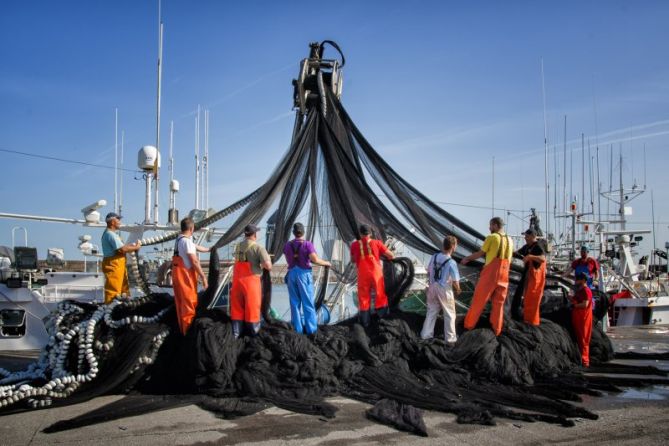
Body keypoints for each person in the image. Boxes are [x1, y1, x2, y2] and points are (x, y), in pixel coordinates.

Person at [460, 216, 513, 336]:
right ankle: (497, 331)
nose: (489, 228)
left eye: (490, 225)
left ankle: (468, 327)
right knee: (498, 305)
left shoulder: (492, 237)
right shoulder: (510, 239)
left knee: (479, 301)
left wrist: (467, 258)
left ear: (495, 225)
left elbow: (481, 253)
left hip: (491, 274)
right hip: (505, 274)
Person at [283, 222, 331, 335]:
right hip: (304, 274)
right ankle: (311, 330)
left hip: (291, 274)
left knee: (294, 303)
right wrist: (326, 263)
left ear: (294, 233)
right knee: (307, 302)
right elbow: (314, 259)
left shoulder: (287, 245)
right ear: (303, 232)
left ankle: (297, 330)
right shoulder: (307, 244)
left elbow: (287, 259)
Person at [230, 224, 272, 338]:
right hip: (251, 282)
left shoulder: (238, 246)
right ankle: (253, 335)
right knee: (252, 309)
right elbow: (268, 265)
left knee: (237, 308)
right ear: (255, 234)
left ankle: (236, 334)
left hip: (237, 281)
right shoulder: (258, 248)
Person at [350, 224, 395, 327]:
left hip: (362, 273)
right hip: (376, 273)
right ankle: (382, 319)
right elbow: (391, 255)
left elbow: (352, 260)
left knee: (363, 297)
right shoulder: (377, 243)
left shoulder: (354, 245)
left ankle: (365, 323)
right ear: (370, 234)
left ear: (360, 234)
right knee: (380, 294)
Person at [172, 217, 210, 335]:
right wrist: (203, 277)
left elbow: (195, 247)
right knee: (189, 305)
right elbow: (194, 261)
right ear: (191, 228)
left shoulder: (179, 240)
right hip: (185, 278)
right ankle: (188, 334)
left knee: (181, 306)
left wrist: (209, 249)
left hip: (177, 277)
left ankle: (183, 331)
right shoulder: (187, 242)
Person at [420, 235, 461, 343]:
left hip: (432, 286)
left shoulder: (434, 257)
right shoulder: (451, 262)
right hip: (444, 289)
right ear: (453, 246)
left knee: (431, 311)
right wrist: (458, 290)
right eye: (456, 244)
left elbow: (429, 271)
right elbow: (456, 282)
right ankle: (450, 339)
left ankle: (425, 335)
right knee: (450, 314)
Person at [101, 212, 141, 304]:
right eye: (118, 219)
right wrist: (136, 247)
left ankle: (122, 307)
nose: (120, 221)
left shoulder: (111, 234)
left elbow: (122, 247)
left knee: (123, 289)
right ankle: (109, 310)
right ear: (112, 222)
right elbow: (122, 249)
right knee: (113, 291)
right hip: (114, 265)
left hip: (118, 265)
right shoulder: (110, 234)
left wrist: (130, 246)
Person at [516, 228, 546, 326]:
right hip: (528, 275)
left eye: (527, 236)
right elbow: (516, 253)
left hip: (537, 277)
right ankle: (527, 319)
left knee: (532, 300)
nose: (525, 238)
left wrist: (530, 257)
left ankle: (532, 322)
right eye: (525, 236)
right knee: (526, 299)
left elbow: (542, 259)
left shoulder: (538, 246)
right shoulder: (526, 247)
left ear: (533, 236)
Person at [570, 272, 593, 367]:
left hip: (583, 319)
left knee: (583, 340)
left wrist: (574, 305)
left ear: (583, 280)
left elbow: (585, 304)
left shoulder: (586, 291)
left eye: (578, 279)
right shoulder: (580, 291)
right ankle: (581, 359)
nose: (576, 281)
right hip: (578, 318)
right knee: (579, 339)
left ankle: (585, 361)